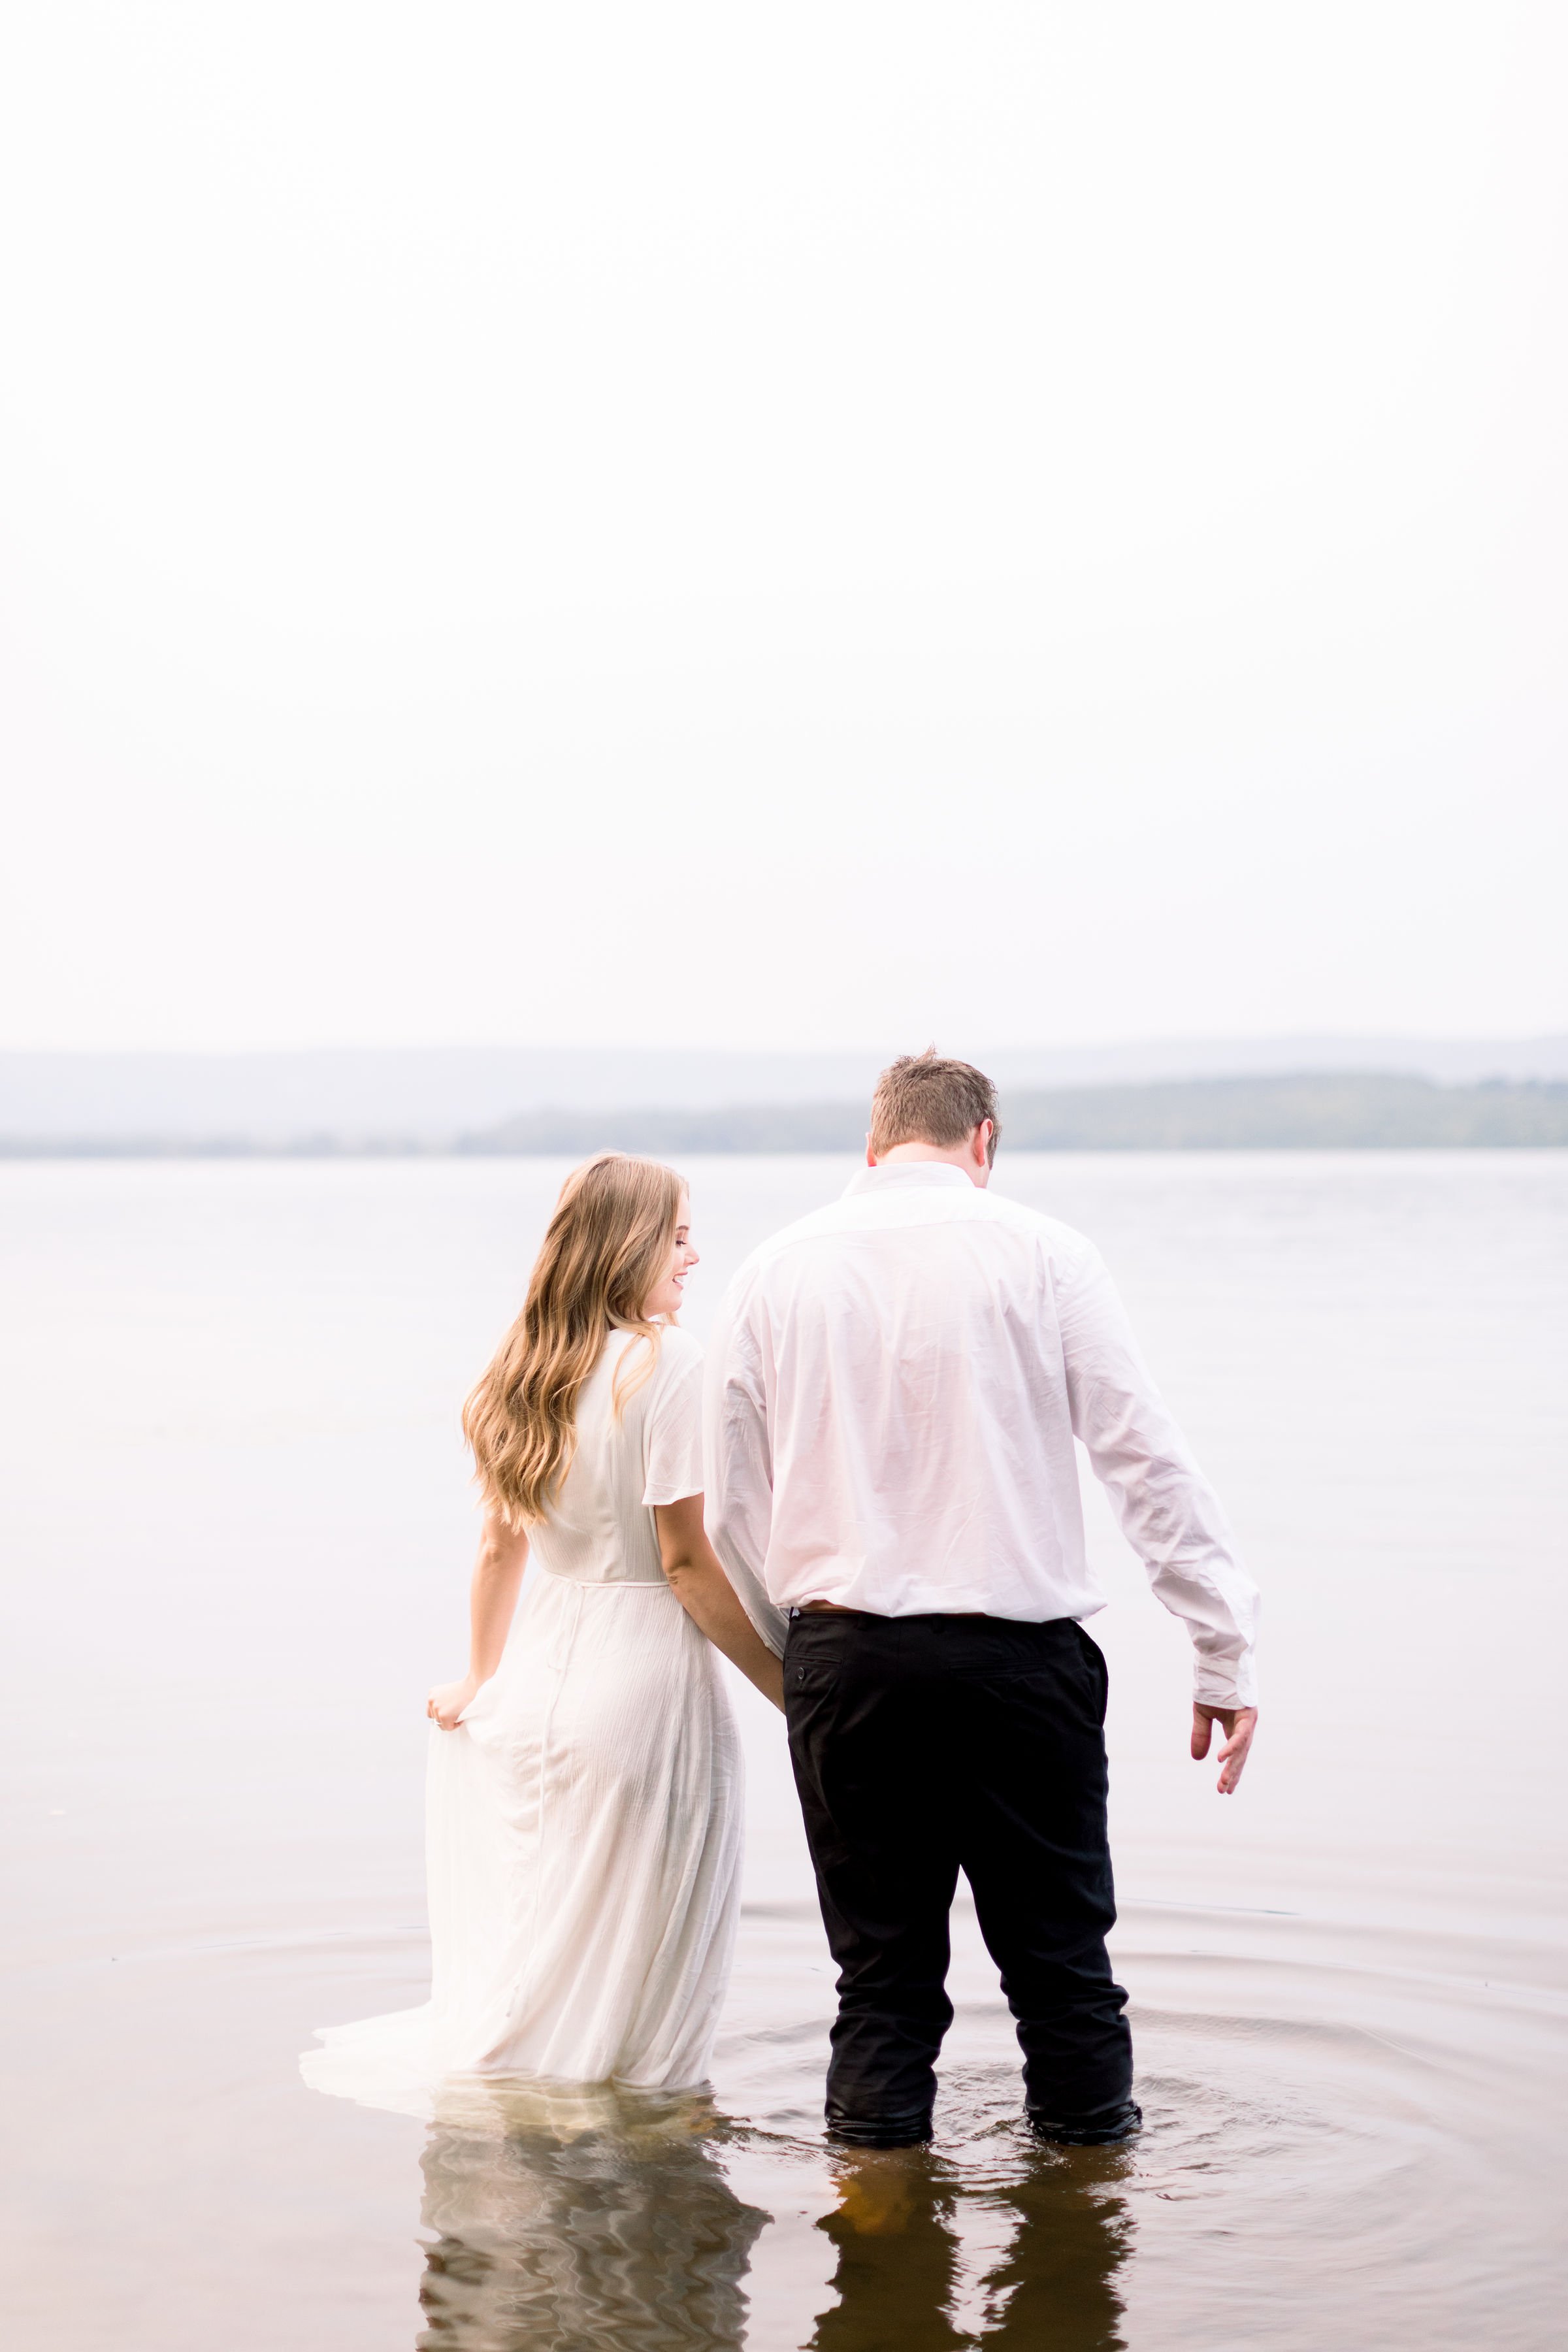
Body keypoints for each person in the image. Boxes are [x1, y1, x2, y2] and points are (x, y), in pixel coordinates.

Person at [705, 1052, 1259, 2151]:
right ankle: (1090, 2231)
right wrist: (1221, 1649)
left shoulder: (774, 1268)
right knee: (1063, 1973)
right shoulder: (1047, 1254)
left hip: (845, 1659)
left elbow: (731, 1506)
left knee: (880, 1984)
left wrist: (806, 1659)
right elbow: (1143, 1459)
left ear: (871, 1146)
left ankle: (874, 2251)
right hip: (1019, 1666)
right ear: (985, 1142)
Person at [301, 1153, 785, 2114]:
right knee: (649, 1978)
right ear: (632, 1245)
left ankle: (541, 2149)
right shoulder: (669, 1366)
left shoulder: (521, 1371)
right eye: (680, 1234)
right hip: (646, 1693)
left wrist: (481, 1678)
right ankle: (639, 2166)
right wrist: (790, 1690)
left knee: (558, 1946)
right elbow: (685, 1566)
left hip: (539, 1686)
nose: (695, 1256)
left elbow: (495, 1547)